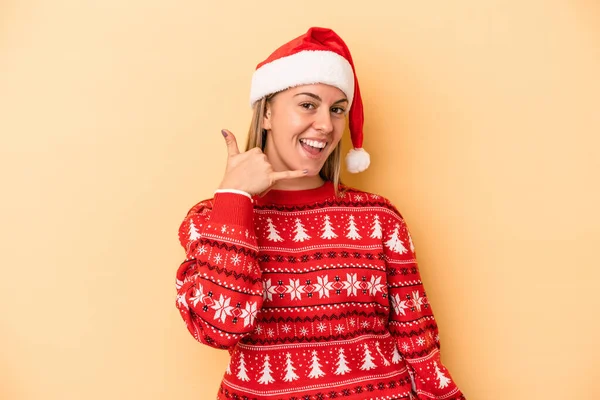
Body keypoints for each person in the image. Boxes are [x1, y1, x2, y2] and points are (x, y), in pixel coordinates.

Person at [175, 27, 465, 400]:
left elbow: (420, 347)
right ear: (266, 114)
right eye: (308, 104)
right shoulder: (210, 220)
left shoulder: (378, 218)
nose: (326, 126)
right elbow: (220, 327)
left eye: (337, 110)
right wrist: (235, 198)